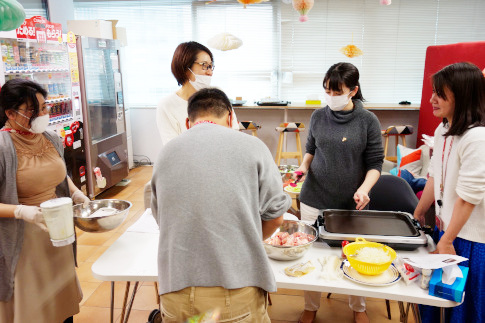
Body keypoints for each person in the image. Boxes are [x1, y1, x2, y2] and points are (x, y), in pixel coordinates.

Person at [151, 87, 291, 322]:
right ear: (230, 117)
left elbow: (162, 218)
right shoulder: (253, 147)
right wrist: (246, 242)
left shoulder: (165, 153)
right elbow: (276, 216)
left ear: (188, 122)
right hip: (234, 290)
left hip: (174, 291)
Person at [295, 62, 384, 323]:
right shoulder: (318, 116)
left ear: (353, 90)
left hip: (351, 201)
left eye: (337, 91)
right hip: (314, 196)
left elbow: (375, 163)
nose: (331, 97)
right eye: (327, 91)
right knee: (310, 252)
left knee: (355, 255)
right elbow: (310, 149)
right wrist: (301, 168)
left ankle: (358, 307)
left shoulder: (367, 120)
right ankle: (311, 306)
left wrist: (364, 189)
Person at [0, 78, 90, 322]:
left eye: (44, 107)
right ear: (10, 113)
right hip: (24, 242)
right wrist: (21, 212)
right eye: (34, 110)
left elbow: (60, 176)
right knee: (34, 307)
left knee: (61, 304)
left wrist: (75, 193)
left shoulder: (50, 138)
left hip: (57, 233)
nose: (43, 114)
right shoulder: (2, 147)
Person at [413, 62, 485, 323]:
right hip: (447, 231)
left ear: (463, 95)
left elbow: (468, 198)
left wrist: (447, 239)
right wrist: (420, 211)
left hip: (469, 239)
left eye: (440, 93)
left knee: (464, 309)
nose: (432, 99)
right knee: (434, 303)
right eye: (433, 92)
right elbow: (435, 174)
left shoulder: (477, 137)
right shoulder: (443, 129)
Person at [156, 41, 239, 145]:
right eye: (204, 65)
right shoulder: (167, 105)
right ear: (185, 68)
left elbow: (234, 131)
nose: (210, 72)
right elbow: (171, 147)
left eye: (211, 66)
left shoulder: (218, 95)